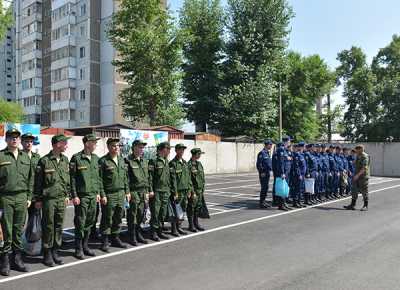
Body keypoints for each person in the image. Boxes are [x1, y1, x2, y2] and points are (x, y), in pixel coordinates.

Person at [34, 134, 71, 267]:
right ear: (57, 144)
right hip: (48, 199)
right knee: (48, 226)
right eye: (65, 143)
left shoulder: (65, 160)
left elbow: (67, 180)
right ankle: (47, 252)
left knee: (59, 225)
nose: (67, 145)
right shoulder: (44, 161)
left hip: (61, 198)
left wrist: (68, 195)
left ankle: (56, 250)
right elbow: (38, 183)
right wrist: (37, 199)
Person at [0, 129, 33, 276]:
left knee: (18, 230)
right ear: (6, 140)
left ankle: (17, 259)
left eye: (17, 137)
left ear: (19, 140)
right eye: (11, 137)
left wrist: (29, 197)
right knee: (7, 230)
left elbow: (31, 179)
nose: (14, 140)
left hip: (22, 198)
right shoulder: (1, 156)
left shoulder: (25, 156)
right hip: (5, 198)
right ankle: (5, 261)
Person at [69, 134, 101, 259]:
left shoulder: (95, 158)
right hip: (82, 197)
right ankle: (78, 248)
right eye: (94, 142)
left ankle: (86, 245)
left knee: (90, 222)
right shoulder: (76, 158)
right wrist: (74, 195)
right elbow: (72, 179)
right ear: (87, 143)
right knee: (80, 222)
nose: (95, 145)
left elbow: (98, 178)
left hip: (93, 196)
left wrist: (98, 192)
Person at [99, 138, 131, 252]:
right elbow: (100, 180)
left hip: (121, 193)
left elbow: (125, 178)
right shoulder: (103, 161)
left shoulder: (122, 160)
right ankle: (105, 240)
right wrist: (102, 195)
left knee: (118, 217)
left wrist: (127, 192)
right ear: (108, 147)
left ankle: (115, 238)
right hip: (109, 194)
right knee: (107, 218)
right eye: (113, 145)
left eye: (118, 145)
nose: (116, 147)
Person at [125, 140, 151, 246]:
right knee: (132, 215)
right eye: (140, 147)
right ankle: (132, 236)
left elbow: (147, 177)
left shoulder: (145, 161)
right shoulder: (127, 160)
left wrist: (148, 191)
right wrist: (127, 192)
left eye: (142, 148)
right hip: (134, 191)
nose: (141, 149)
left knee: (141, 213)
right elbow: (125, 178)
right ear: (134, 148)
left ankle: (138, 233)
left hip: (143, 191)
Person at [148, 142, 172, 241]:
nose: (169, 151)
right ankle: (153, 232)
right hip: (157, 191)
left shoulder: (166, 161)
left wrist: (170, 190)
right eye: (168, 149)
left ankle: (160, 231)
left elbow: (168, 177)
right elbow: (150, 178)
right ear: (163, 150)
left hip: (165, 191)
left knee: (163, 212)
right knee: (155, 212)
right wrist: (150, 190)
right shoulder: (153, 161)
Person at [169, 144, 193, 236]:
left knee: (182, 209)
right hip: (177, 192)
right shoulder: (173, 163)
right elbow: (173, 180)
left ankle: (179, 227)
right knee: (175, 210)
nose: (182, 151)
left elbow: (188, 178)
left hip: (185, 191)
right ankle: (174, 229)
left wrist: (190, 189)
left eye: (183, 150)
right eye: (180, 150)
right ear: (176, 151)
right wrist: (175, 192)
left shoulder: (185, 163)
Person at [344, 145, 370, 211]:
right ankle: (352, 205)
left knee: (364, 190)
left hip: (363, 176)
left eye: (357, 150)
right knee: (354, 190)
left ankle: (365, 205)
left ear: (361, 149)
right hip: (356, 175)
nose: (356, 151)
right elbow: (355, 163)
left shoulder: (365, 156)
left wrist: (357, 175)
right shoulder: (358, 155)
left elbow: (364, 168)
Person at [21, 133, 41, 218]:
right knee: (19, 220)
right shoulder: (18, 156)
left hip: (34, 193)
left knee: (33, 219)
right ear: (21, 142)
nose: (29, 143)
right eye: (26, 141)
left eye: (31, 141)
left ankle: (30, 232)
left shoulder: (37, 157)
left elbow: (40, 176)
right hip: (21, 192)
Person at [188, 148, 207, 231]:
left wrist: (202, 189)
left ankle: (196, 223)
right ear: (195, 154)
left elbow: (202, 177)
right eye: (199, 154)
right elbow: (188, 180)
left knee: (197, 208)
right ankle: (191, 225)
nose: (200, 155)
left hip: (199, 190)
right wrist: (192, 192)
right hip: (194, 191)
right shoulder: (189, 165)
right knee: (191, 208)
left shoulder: (199, 164)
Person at [272, 142, 291, 211]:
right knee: (281, 189)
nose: (289, 143)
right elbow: (281, 163)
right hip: (282, 173)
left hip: (285, 172)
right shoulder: (281, 150)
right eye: (289, 141)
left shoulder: (284, 151)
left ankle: (283, 203)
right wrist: (282, 172)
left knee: (284, 189)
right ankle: (281, 205)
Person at [256, 140, 273, 208]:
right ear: (267, 145)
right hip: (263, 173)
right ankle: (261, 202)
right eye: (270, 145)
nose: (271, 146)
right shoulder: (261, 153)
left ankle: (263, 201)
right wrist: (262, 172)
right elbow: (259, 164)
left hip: (267, 172)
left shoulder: (267, 153)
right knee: (264, 187)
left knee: (266, 187)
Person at [291, 142, 307, 208]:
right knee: (297, 189)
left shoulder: (301, 155)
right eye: (303, 146)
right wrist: (299, 174)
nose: (304, 148)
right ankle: (296, 202)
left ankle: (299, 201)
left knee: (301, 189)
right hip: (298, 175)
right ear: (300, 147)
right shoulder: (297, 155)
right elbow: (296, 166)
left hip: (302, 175)